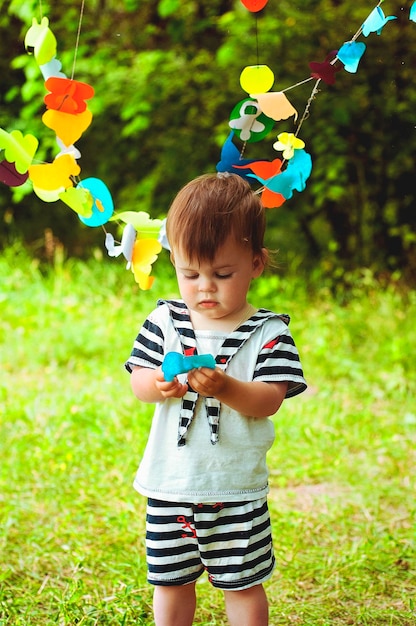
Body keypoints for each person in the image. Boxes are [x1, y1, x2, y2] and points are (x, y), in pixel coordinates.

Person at [125, 173, 307, 626]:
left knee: (242, 585)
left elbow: (270, 400)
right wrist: (160, 385)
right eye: (189, 274)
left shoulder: (270, 334)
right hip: (170, 485)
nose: (204, 287)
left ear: (256, 263)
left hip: (235, 490)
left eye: (222, 274)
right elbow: (140, 381)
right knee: (170, 582)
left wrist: (227, 387)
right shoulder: (164, 320)